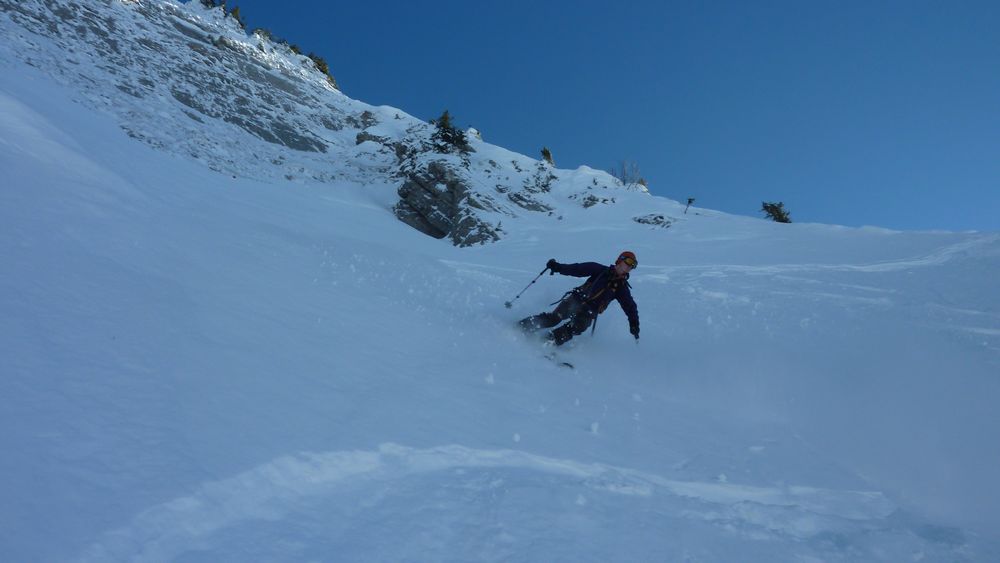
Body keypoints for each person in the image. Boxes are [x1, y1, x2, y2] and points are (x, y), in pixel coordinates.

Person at [519, 251, 640, 346]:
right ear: (620, 260)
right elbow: (577, 269)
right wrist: (558, 267)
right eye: (629, 262)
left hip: (590, 311)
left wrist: (634, 323)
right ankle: (522, 327)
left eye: (633, 265)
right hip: (577, 300)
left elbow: (629, 306)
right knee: (554, 318)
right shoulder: (599, 270)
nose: (630, 266)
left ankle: (547, 342)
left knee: (576, 327)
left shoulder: (621, 288)